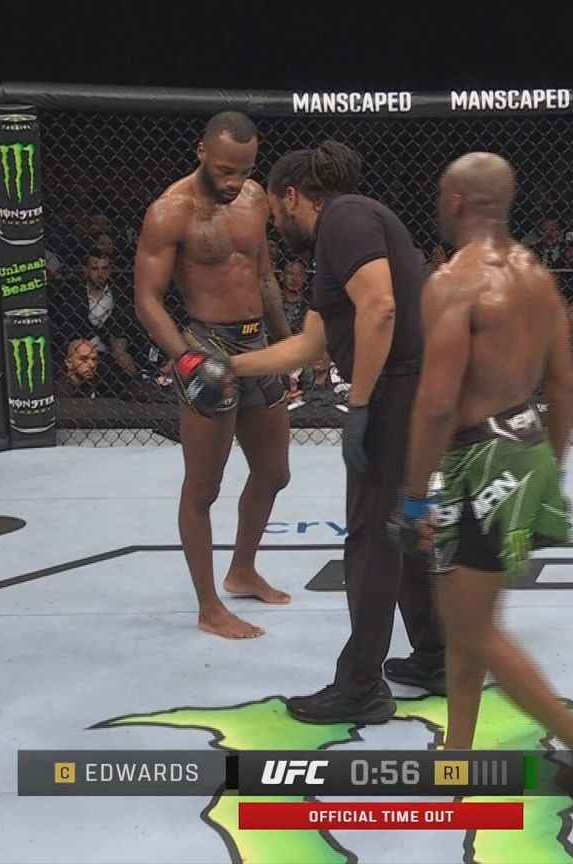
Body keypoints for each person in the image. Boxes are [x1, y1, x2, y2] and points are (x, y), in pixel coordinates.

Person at [387, 152, 573, 776]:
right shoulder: (538, 278)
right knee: (468, 619)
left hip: (478, 460)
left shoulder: (452, 282)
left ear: (457, 202)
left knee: (473, 628)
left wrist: (414, 497)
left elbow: (437, 402)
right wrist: (548, 469)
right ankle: (456, 753)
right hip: (526, 445)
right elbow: (563, 384)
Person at [225, 139, 445, 723]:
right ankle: (437, 655)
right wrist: (230, 364)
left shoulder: (344, 218)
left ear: (292, 196)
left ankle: (361, 687)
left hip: (397, 387)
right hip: (408, 386)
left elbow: (381, 308)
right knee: (402, 523)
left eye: (274, 211)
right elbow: (310, 345)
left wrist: (363, 404)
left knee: (371, 536)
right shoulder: (343, 232)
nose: (275, 226)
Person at [133, 111, 296, 640]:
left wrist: (287, 345)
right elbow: (147, 299)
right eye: (226, 170)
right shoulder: (170, 211)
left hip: (257, 344)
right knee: (203, 487)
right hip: (206, 344)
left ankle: (242, 570)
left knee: (274, 472)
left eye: (244, 170)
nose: (234, 181)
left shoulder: (253, 199)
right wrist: (185, 358)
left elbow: (265, 278)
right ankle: (208, 607)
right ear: (201, 152)